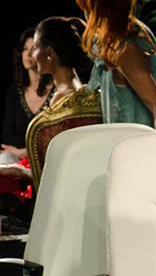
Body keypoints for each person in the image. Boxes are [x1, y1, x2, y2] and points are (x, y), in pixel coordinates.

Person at [75, 0, 156, 130]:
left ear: (102, 8)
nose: (85, 13)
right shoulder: (118, 38)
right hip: (122, 139)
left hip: (138, 142)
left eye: (88, 7)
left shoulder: (125, 49)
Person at [0, 17, 93, 184]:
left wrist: (22, 172)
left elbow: (56, 170)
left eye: (35, 47)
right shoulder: (84, 91)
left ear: (49, 53)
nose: (33, 55)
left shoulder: (61, 99)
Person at [1, 27, 54, 165]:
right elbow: (8, 137)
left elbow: (53, 137)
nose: (28, 54)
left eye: (34, 48)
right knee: (4, 159)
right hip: (17, 157)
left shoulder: (56, 92)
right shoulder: (14, 92)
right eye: (25, 49)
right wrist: (21, 152)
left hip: (47, 156)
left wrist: (26, 151)